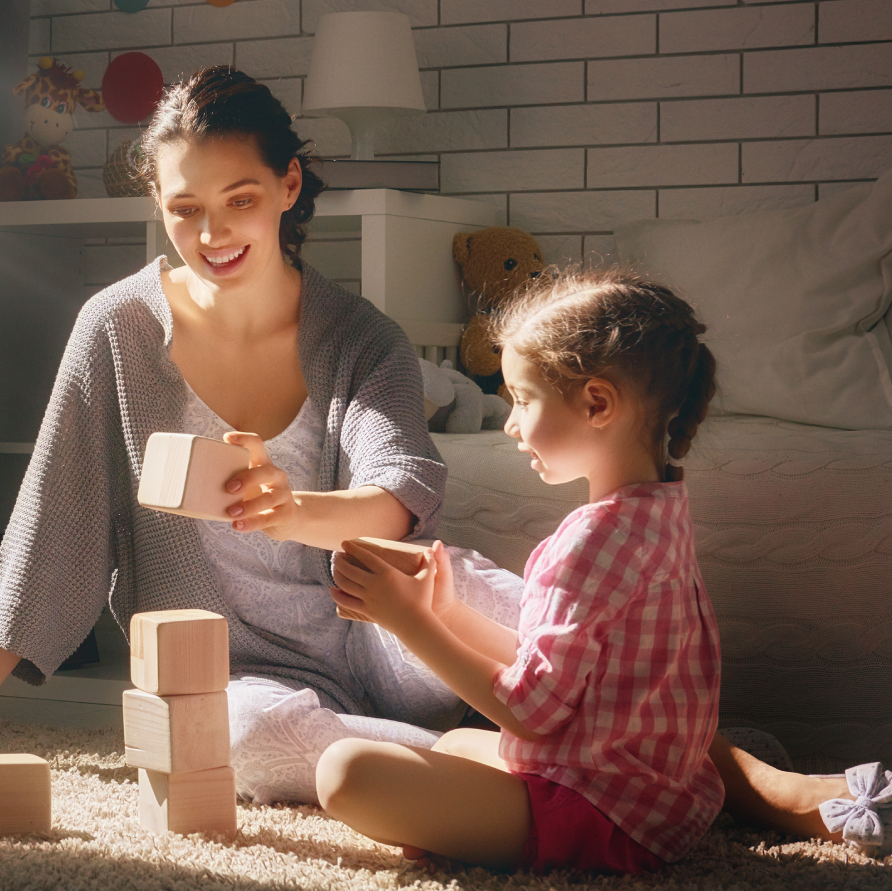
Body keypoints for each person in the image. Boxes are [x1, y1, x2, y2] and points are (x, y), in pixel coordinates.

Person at [0, 65, 527, 802]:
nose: (212, 234)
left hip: (385, 633)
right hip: (239, 673)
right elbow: (55, 525)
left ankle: (633, 725)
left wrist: (290, 511)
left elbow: (398, 495)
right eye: (186, 208)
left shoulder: (361, 337)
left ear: (288, 186)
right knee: (238, 741)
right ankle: (505, 764)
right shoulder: (117, 328)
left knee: (466, 578)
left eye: (239, 200)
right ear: (158, 202)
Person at [316, 270, 884, 871]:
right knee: (455, 744)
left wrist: (408, 623)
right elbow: (560, 675)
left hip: (602, 812)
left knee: (344, 772)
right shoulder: (659, 508)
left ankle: (490, 835)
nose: (510, 424)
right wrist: (447, 611)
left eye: (523, 400)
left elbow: (530, 713)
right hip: (656, 796)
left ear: (597, 402)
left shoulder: (589, 542)